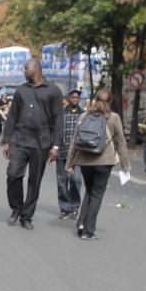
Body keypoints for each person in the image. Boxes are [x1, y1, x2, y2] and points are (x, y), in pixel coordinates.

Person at [1, 57, 63, 230]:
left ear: (36, 69)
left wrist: (56, 146)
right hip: (20, 140)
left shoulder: (53, 91)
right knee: (13, 174)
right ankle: (16, 208)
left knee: (35, 181)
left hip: (41, 143)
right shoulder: (21, 90)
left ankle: (26, 216)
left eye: (25, 67)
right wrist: (7, 141)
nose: (23, 70)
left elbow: (58, 120)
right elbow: (12, 116)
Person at [65, 88, 129, 240]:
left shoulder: (83, 116)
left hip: (85, 160)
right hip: (104, 160)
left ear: (94, 99)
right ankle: (88, 230)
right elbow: (121, 143)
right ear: (110, 102)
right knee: (97, 194)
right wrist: (125, 166)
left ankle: (81, 223)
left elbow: (74, 142)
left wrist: (70, 163)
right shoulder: (113, 118)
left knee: (89, 190)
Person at [56, 89, 84, 219]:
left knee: (76, 180)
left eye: (77, 97)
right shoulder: (61, 113)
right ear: (68, 98)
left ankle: (74, 207)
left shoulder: (83, 114)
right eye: (72, 97)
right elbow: (55, 131)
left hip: (78, 154)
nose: (75, 99)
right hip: (62, 152)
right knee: (62, 181)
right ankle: (64, 208)